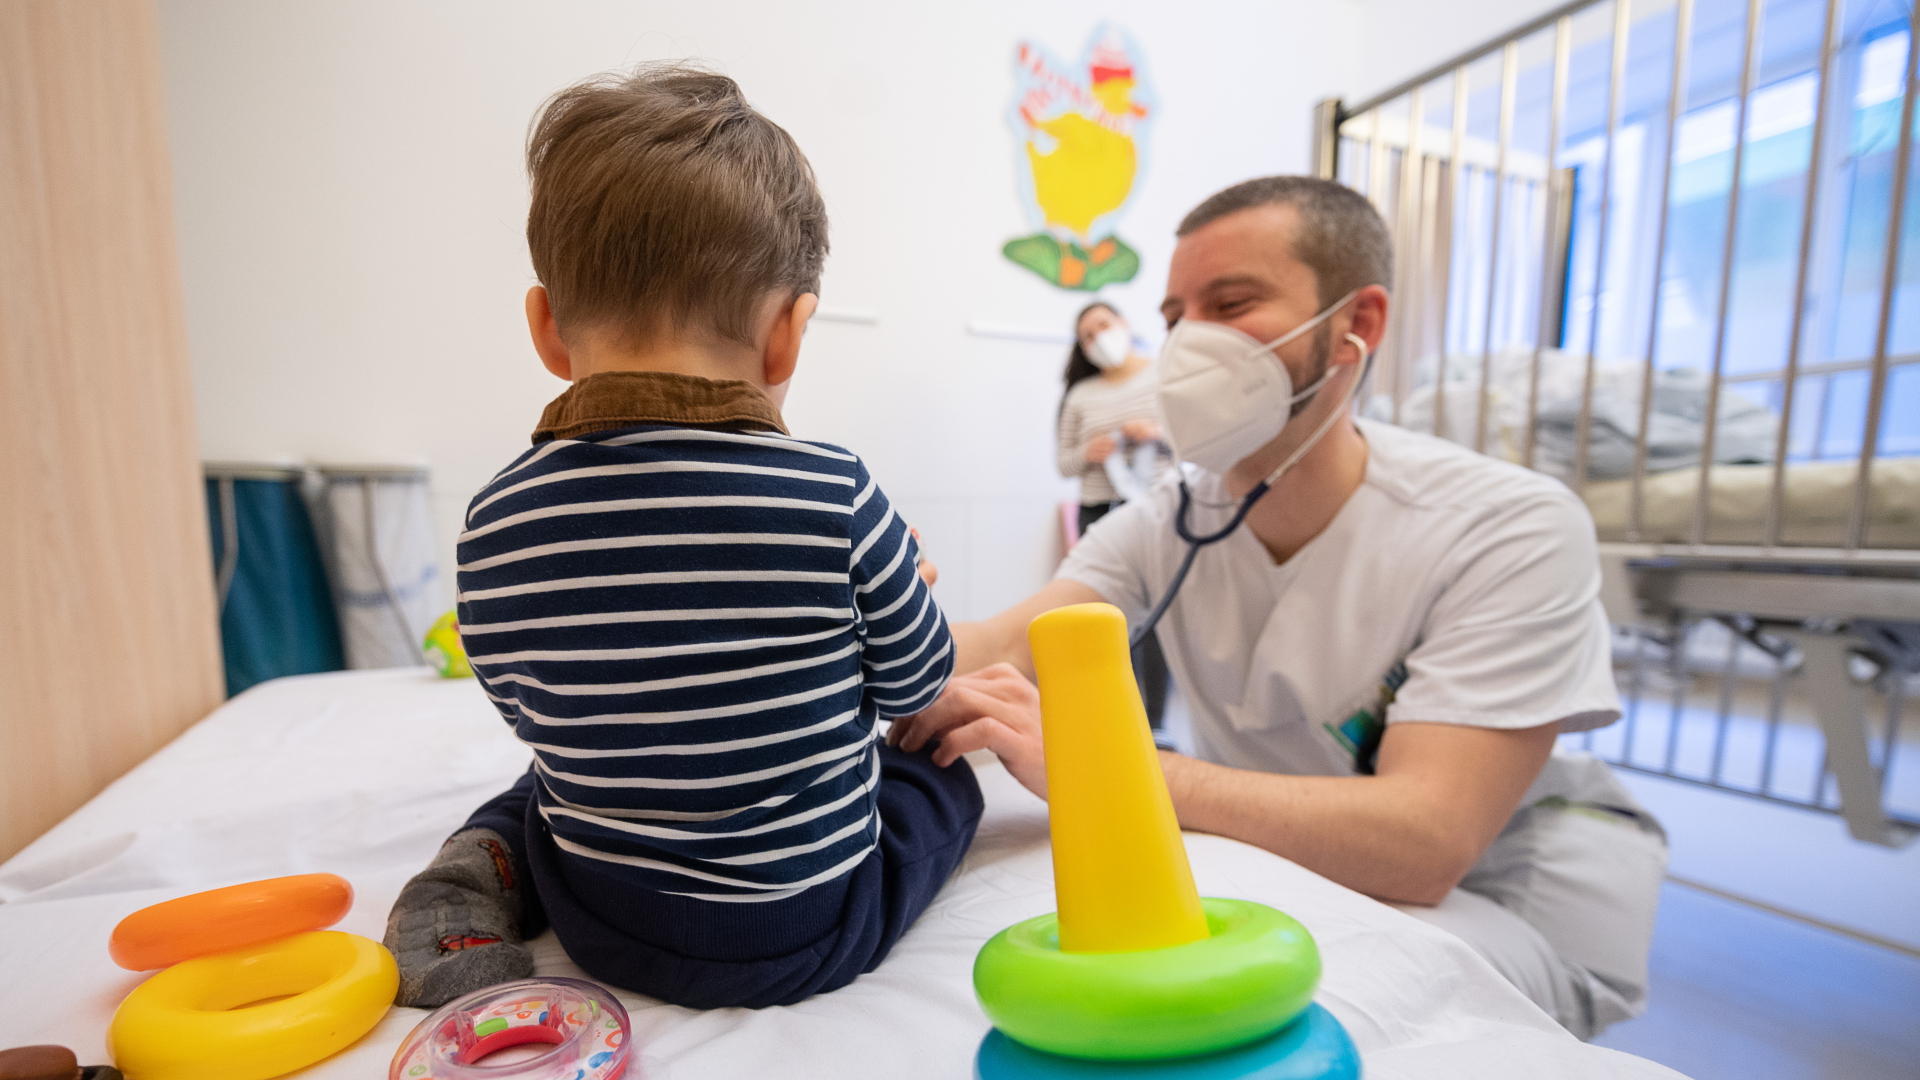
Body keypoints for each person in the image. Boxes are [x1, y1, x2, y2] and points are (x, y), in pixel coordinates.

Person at [891, 176, 1668, 1040]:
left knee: (1292, 1011)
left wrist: (1101, 765)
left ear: (1356, 326)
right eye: (1178, 313)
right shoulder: (1168, 519)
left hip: (1505, 889)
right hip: (1288, 855)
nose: (1189, 342)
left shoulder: (1508, 526)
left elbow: (1425, 842)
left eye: (1233, 303)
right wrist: (853, 605)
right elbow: (1002, 643)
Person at [382, 63, 982, 1011]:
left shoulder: (495, 518)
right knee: (941, 779)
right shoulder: (837, 490)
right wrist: (900, 583)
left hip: (604, 920)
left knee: (553, 784)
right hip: (810, 928)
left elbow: (533, 713)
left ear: (546, 327)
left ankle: (485, 860)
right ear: (789, 335)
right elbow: (917, 686)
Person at [1055, 301, 1171, 724]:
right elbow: (1063, 462)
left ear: (1124, 322)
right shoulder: (1080, 395)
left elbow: (1193, 441)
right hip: (1098, 513)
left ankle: (1155, 722)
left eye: (1103, 325)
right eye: (1087, 335)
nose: (1098, 337)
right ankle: (1119, 716)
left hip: (1154, 512)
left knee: (1157, 619)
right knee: (1108, 619)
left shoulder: (1164, 374)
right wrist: (1087, 452)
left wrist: (1157, 435)